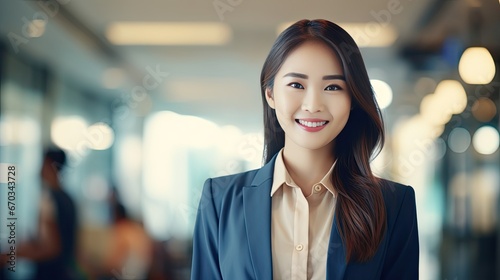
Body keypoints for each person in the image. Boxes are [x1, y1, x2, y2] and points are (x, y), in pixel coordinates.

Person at [191, 19, 419, 280]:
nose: (313, 105)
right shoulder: (220, 200)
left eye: (333, 87)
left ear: (353, 99)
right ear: (271, 94)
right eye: (297, 85)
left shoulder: (392, 204)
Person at [16, 147, 79, 279]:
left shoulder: (47, 199)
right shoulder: (69, 199)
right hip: (64, 272)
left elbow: (50, 248)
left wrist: (13, 254)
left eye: (43, 164)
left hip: (49, 273)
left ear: (49, 166)